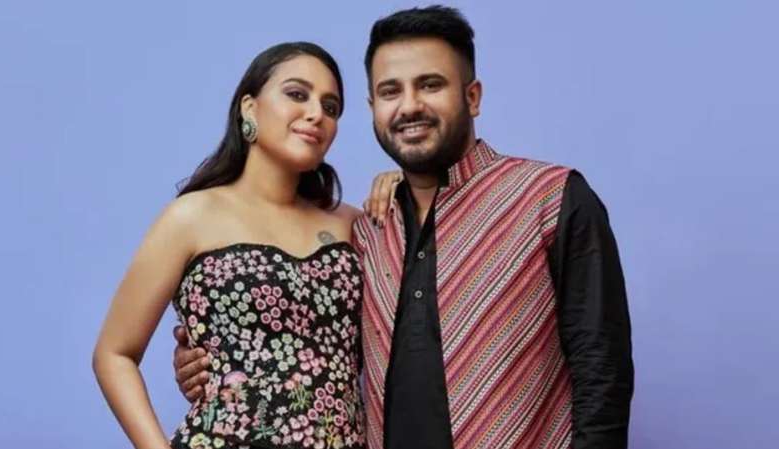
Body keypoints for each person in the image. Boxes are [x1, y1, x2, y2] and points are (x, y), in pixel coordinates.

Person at [175, 5, 635, 449]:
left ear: (472, 97)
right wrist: (209, 355)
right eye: (390, 91)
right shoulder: (367, 231)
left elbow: (603, 372)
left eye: (430, 85)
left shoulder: (549, 199)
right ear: (374, 107)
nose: (409, 106)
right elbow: (310, 338)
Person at [93, 42, 372, 449]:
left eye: (331, 107)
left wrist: (399, 185)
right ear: (249, 108)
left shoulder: (355, 225)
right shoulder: (191, 217)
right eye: (297, 94)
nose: (317, 113)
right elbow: (114, 354)